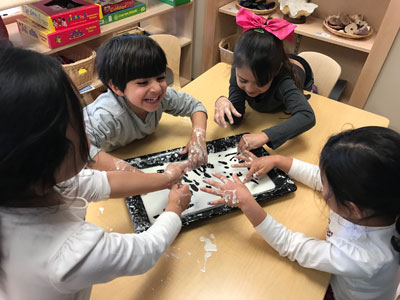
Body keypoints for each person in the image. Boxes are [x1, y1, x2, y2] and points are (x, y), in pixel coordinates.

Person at [0, 44, 192, 300]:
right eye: (77, 122)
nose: (86, 128)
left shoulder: (26, 185)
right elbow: (144, 251)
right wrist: (174, 209)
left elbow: (103, 182)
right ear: (48, 152)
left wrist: (166, 179)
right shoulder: (70, 252)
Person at [201, 126, 400, 300]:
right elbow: (317, 176)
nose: (322, 188)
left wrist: (246, 202)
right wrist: (277, 160)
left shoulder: (363, 258)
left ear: (353, 208)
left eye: (326, 189)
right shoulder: (380, 202)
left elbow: (290, 245)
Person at [84, 34, 208, 173]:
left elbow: (195, 107)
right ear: (116, 87)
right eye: (143, 83)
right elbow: (79, 152)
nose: (156, 88)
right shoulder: (106, 116)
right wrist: (135, 174)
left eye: (161, 78)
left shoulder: (163, 97)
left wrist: (198, 137)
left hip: (136, 150)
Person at [214, 8, 316, 152]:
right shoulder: (240, 70)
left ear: (275, 72)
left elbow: (307, 116)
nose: (249, 89)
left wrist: (265, 135)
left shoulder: (283, 82)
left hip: (299, 70)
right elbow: (236, 117)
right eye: (243, 80)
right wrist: (222, 101)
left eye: (260, 82)